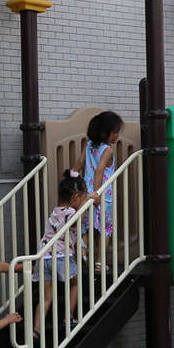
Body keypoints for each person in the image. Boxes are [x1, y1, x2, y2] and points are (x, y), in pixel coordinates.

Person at [37, 171, 91, 333]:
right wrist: (88, 202)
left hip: (44, 257)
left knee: (46, 297)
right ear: (75, 197)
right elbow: (76, 220)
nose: (83, 200)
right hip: (61, 256)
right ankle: (68, 317)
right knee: (74, 284)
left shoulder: (55, 212)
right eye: (82, 197)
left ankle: (35, 330)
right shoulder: (71, 213)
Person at [81, 110, 124, 256]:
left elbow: (79, 163)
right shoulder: (107, 150)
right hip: (102, 194)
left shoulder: (89, 146)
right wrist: (97, 193)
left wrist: (72, 177)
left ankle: (82, 253)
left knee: (88, 227)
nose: (117, 135)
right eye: (115, 132)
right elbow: (99, 170)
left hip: (87, 192)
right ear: (104, 133)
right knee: (105, 229)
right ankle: (100, 262)